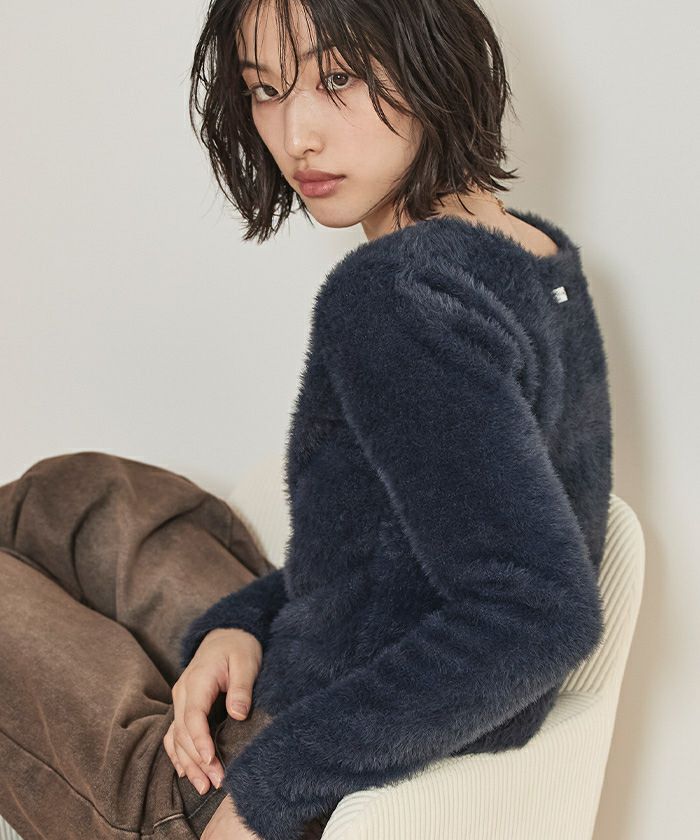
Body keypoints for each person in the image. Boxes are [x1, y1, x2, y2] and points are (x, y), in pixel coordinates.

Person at [0, 1, 613, 839]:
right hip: (331, 678)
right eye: (264, 89)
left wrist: (268, 795)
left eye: (338, 78)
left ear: (433, 58)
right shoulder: (532, 256)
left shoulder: (393, 298)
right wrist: (239, 625)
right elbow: (394, 560)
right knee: (78, 492)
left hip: (269, 783)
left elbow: (538, 616)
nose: (296, 136)